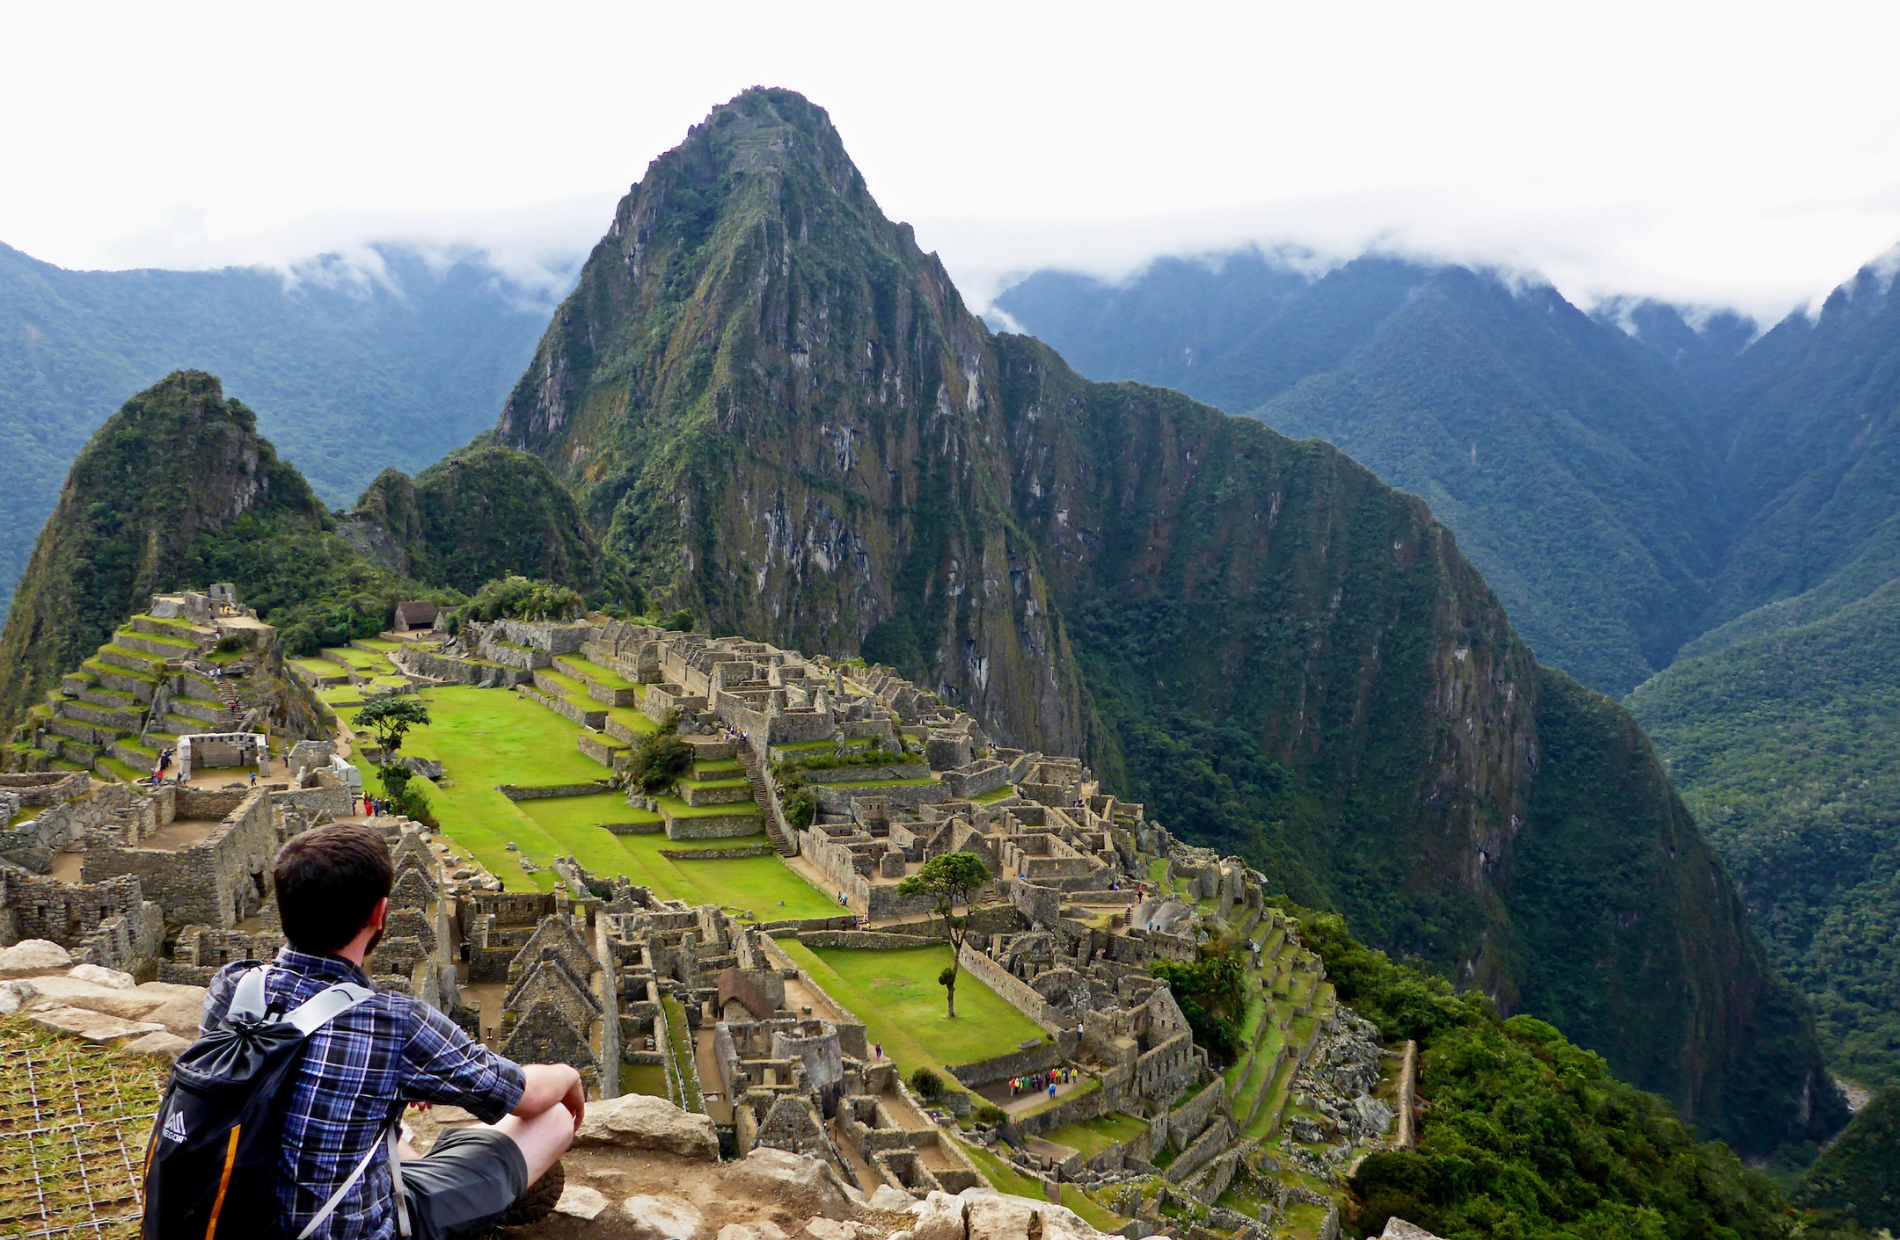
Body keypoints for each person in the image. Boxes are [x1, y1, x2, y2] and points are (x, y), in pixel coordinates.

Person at [198, 823, 580, 1239]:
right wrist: (567, 1075)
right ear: (379, 913)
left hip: (224, 1216)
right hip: (345, 1231)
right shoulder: (393, 1023)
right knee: (554, 1118)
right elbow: (526, 1096)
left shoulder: (233, 986)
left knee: (386, 1126)